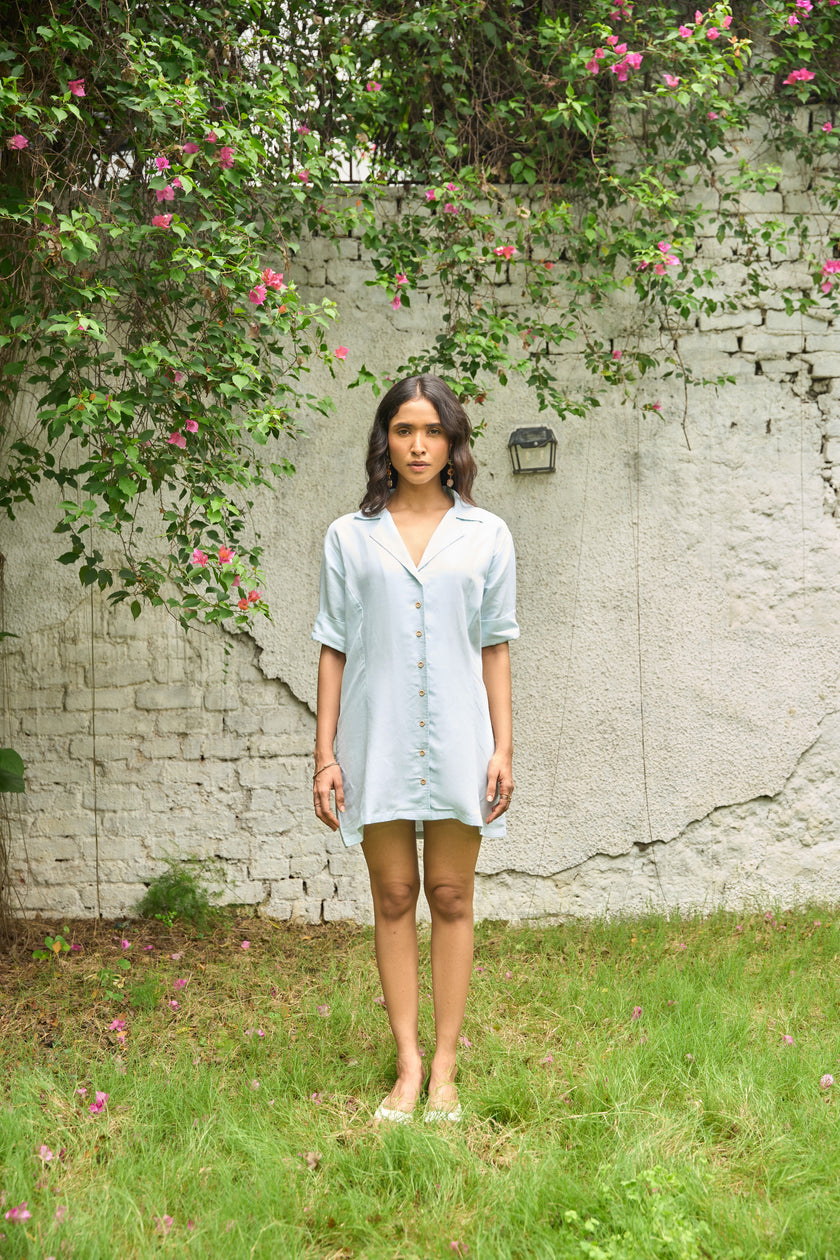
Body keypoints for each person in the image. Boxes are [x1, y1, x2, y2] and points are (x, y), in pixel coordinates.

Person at [311, 373, 519, 1124]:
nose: (419, 445)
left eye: (432, 431)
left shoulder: (487, 534)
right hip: (380, 738)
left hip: (463, 740)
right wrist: (326, 755)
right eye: (404, 430)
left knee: (452, 896)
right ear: (385, 442)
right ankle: (406, 1065)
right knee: (395, 896)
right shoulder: (349, 537)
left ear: (453, 441)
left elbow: (495, 645)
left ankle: (447, 1071)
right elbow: (333, 647)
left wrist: (502, 747)